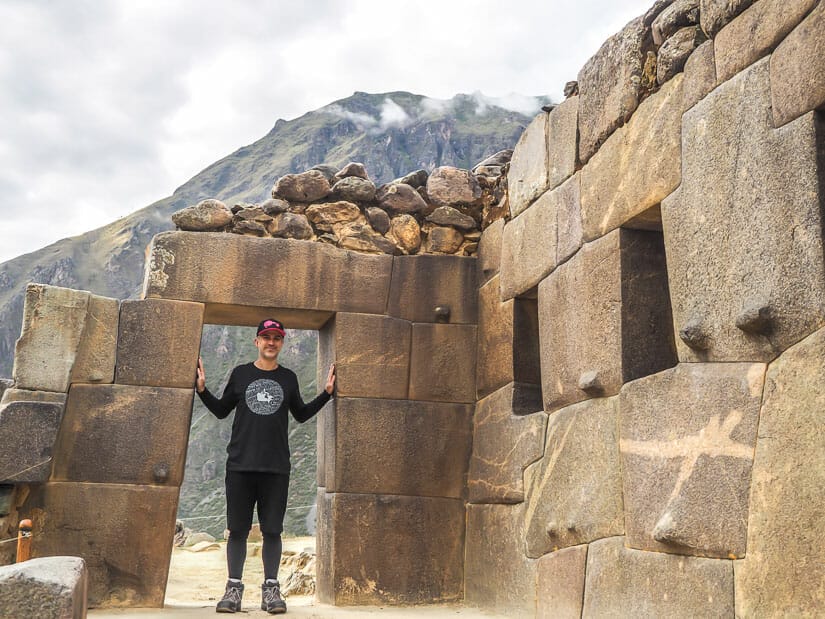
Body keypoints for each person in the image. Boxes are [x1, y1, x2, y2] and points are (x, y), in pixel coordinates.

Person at [195, 318, 335, 614]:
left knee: (272, 530)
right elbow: (221, 411)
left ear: (282, 343)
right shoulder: (241, 374)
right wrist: (203, 390)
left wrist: (326, 393)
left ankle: (271, 590)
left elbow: (301, 414)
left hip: (276, 468)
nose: (271, 342)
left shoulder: (289, 378)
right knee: (238, 530)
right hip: (240, 467)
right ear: (256, 342)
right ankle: (233, 589)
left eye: (277, 338)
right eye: (266, 337)